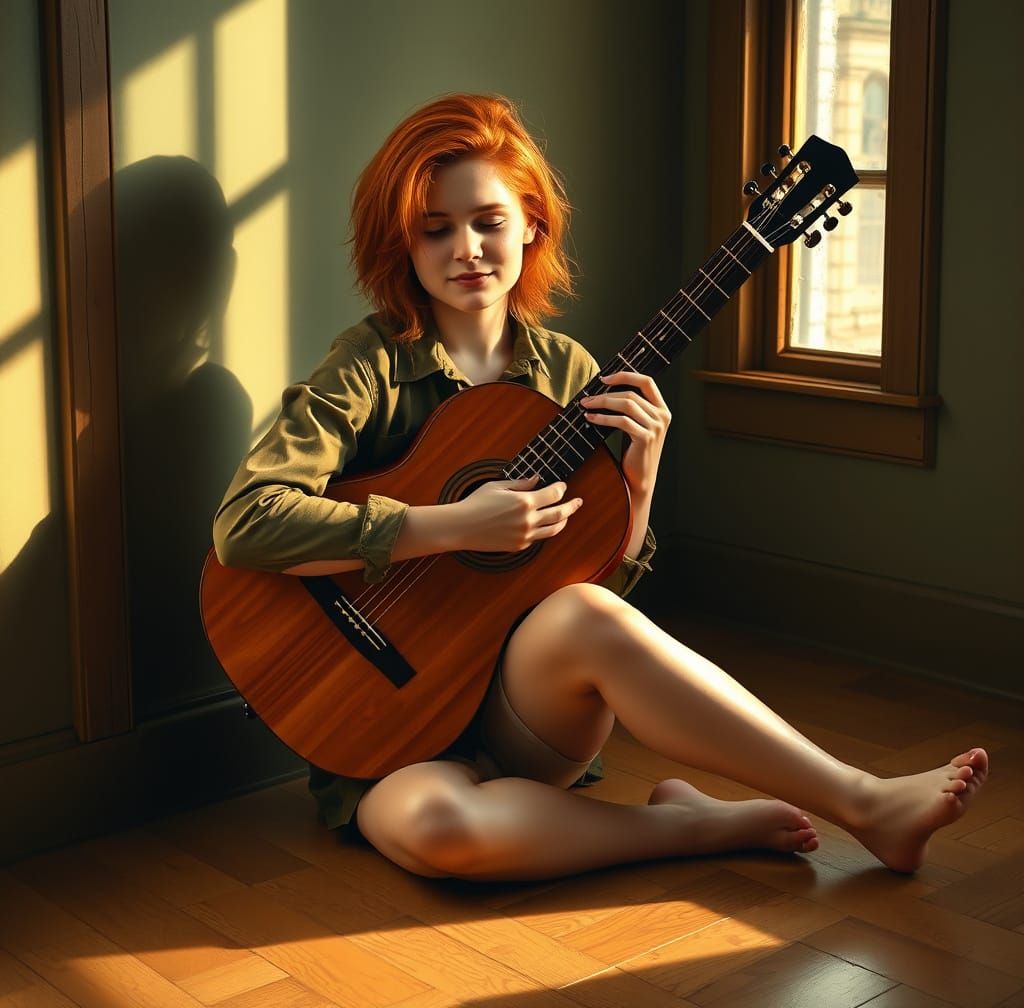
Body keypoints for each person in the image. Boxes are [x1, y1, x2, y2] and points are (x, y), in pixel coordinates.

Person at [212, 92, 988, 883]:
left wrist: (638, 491)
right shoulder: (369, 363)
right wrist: (449, 526)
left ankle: (866, 802)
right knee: (440, 832)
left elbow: (591, 601)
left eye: (488, 221)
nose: (467, 249)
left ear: (532, 224)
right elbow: (246, 525)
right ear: (402, 247)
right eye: (434, 230)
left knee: (582, 610)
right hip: (379, 719)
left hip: (520, 709)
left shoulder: (571, 377)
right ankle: (687, 829)